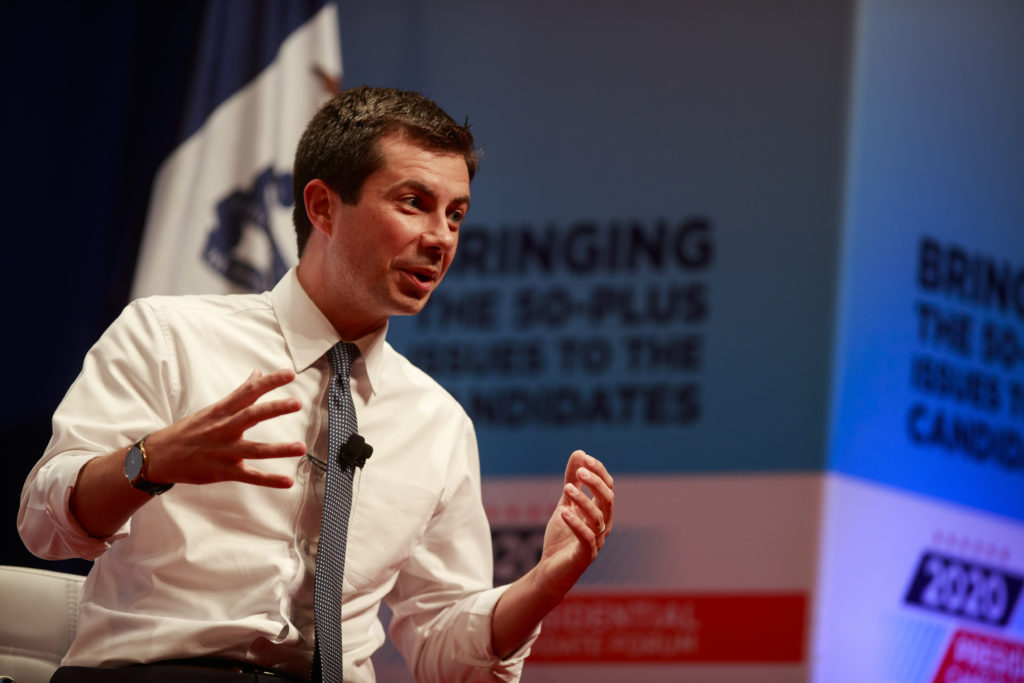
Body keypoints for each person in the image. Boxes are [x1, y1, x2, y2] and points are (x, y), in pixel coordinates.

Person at [18, 85, 614, 682]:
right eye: (414, 203)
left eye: (455, 214)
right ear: (323, 207)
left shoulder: (438, 422)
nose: (441, 238)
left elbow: (443, 652)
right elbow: (44, 527)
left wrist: (542, 584)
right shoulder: (170, 336)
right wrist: (149, 463)